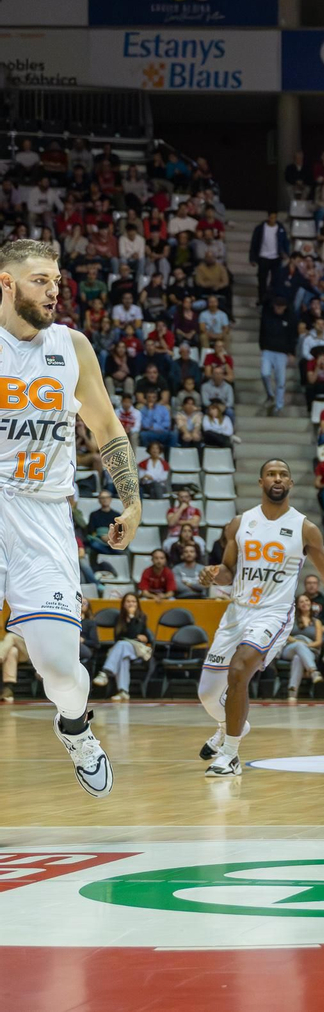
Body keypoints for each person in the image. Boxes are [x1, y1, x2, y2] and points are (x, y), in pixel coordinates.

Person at [0, 238, 140, 795]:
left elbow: (105, 427)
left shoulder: (72, 347)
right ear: (6, 283)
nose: (53, 290)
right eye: (39, 280)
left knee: (61, 672)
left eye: (55, 280)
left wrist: (128, 497)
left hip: (44, 514)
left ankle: (75, 727)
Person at [194, 460, 324, 777]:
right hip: (236, 611)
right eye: (272, 474)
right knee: (208, 694)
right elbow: (228, 570)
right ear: (260, 482)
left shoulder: (304, 528)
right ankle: (230, 727)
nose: (278, 478)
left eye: (284, 473)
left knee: (240, 669)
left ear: (291, 484)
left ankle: (229, 754)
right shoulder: (240, 524)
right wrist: (214, 574)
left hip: (273, 613)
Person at [92, 593, 151, 702]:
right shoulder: (119, 618)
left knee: (122, 645)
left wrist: (132, 617)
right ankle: (123, 692)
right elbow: (117, 637)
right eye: (128, 601)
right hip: (123, 649)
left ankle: (105, 673)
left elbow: (134, 635)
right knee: (123, 656)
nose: (131, 604)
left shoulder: (142, 617)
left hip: (137, 649)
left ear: (137, 604)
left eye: (133, 601)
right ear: (123, 604)